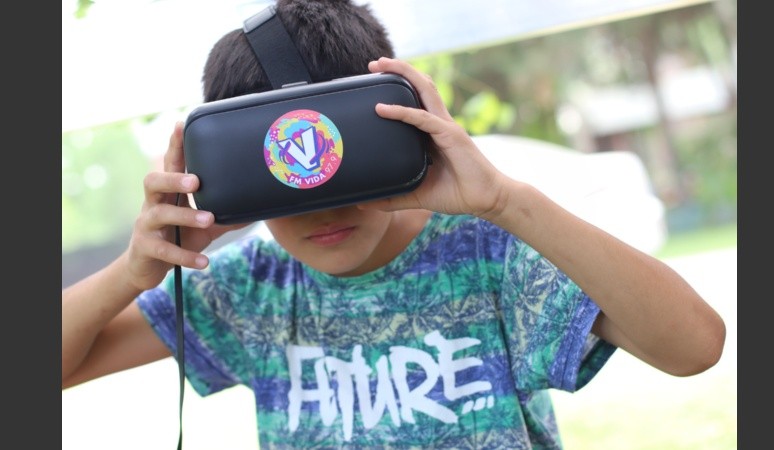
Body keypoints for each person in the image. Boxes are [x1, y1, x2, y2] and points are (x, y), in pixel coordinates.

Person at [61, 0, 726, 448]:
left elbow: (693, 347)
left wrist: (504, 201)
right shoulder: (251, 289)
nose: (323, 206)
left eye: (345, 168)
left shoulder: (486, 255)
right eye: (288, 181)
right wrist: (133, 272)